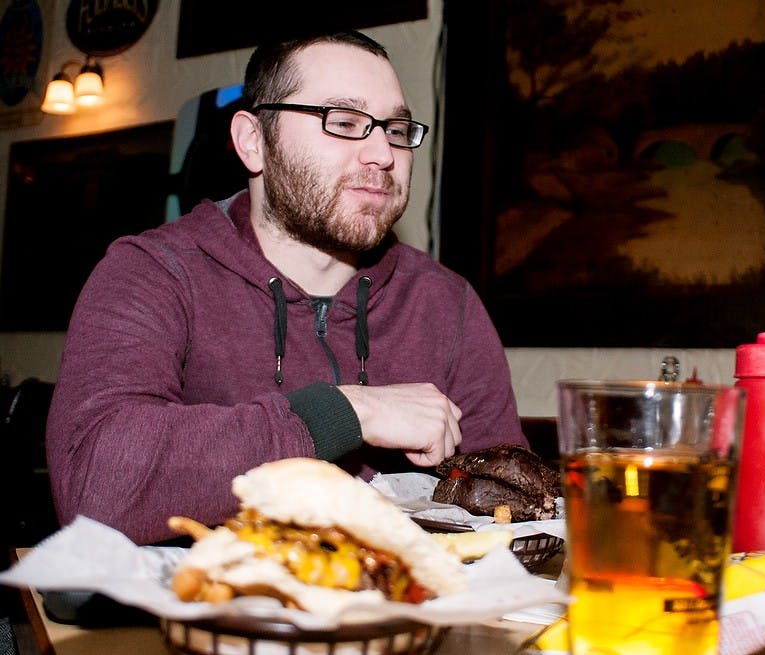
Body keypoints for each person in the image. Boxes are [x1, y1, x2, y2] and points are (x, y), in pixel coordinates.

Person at [45, 30, 528, 545]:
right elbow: (95, 488)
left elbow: (514, 517)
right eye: (344, 123)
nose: (383, 154)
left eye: (396, 127)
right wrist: (347, 412)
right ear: (253, 141)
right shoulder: (153, 273)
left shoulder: (445, 303)